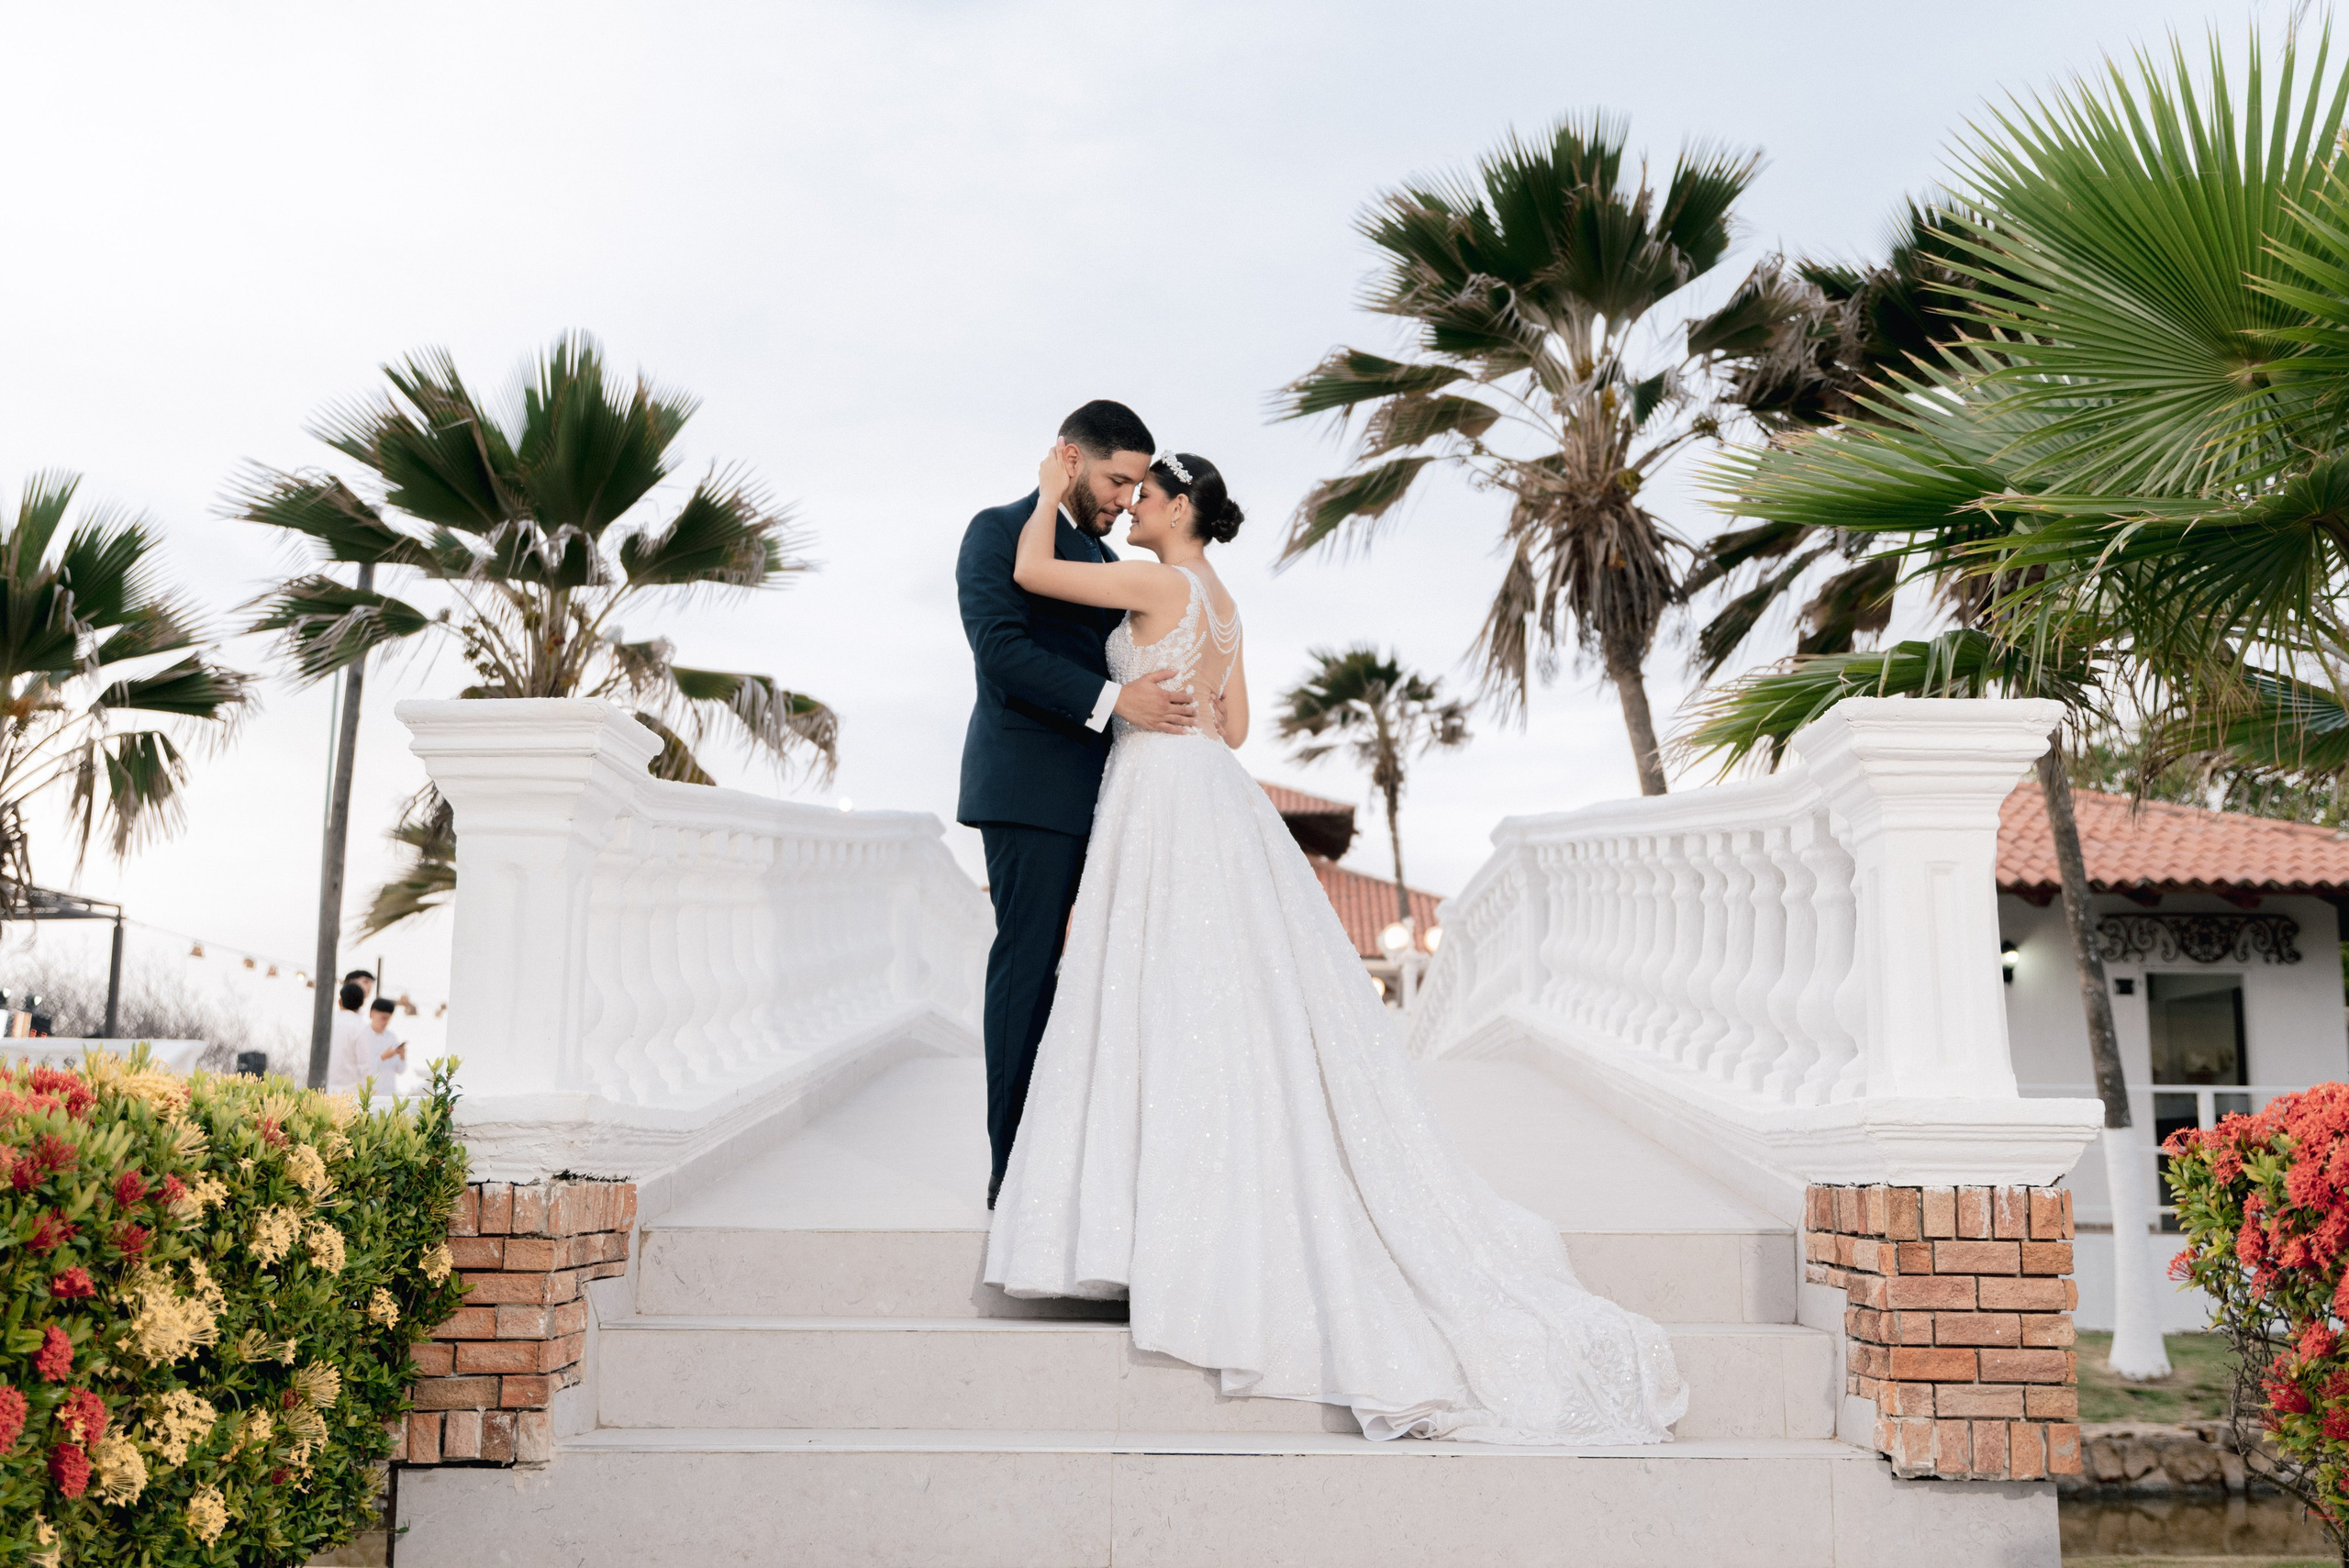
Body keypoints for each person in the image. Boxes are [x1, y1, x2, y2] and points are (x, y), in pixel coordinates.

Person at [983, 445, 1688, 1446]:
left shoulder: (1157, 581)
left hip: (1157, 789)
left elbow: (1031, 570)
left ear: (1180, 509)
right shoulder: (1224, 603)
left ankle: (1149, 1224)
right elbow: (1233, 728)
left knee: (1154, 990)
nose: (1131, 506)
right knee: (1205, 994)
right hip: (1210, 790)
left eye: (1146, 496)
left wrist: (1053, 491)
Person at [956, 400, 1198, 1210]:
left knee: (1097, 981)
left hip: (1112, 799)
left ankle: (1078, 1168)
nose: (1127, 500)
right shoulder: (996, 531)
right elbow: (1001, 651)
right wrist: (1116, 699)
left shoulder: (1102, 557)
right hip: (1029, 791)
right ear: (1070, 457)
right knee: (1029, 971)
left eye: (1137, 487)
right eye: (1118, 480)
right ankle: (1011, 1177)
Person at [323, 982, 370, 1095]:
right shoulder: (361, 1027)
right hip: (351, 1094)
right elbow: (365, 1064)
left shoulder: (325, 1022)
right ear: (362, 1003)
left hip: (324, 1090)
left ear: (340, 1002)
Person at [367, 997, 406, 1083]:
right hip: (370, 1089)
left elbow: (400, 1070)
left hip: (389, 1088)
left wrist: (402, 1057)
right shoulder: (363, 1036)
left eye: (389, 1018)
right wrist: (382, 1057)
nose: (386, 1022)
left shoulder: (391, 1037)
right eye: (383, 1018)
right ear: (372, 1014)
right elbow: (362, 1069)